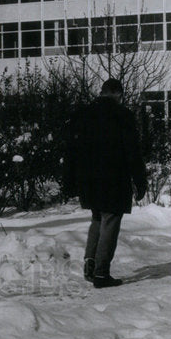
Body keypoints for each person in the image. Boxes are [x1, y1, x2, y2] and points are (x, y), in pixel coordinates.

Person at [63, 78, 148, 288]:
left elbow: (71, 149)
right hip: (113, 179)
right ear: (119, 94)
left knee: (97, 219)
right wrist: (140, 180)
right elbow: (132, 152)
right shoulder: (122, 116)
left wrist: (69, 180)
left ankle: (90, 266)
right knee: (110, 220)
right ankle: (101, 274)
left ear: (101, 92)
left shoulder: (82, 114)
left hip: (88, 180)